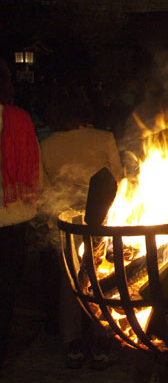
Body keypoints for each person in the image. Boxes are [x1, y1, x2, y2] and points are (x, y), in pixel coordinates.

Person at [38, 82, 124, 369]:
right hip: (100, 222)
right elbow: (118, 180)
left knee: (71, 284)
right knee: (101, 282)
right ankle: (101, 341)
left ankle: (73, 344)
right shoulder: (104, 138)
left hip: (64, 226)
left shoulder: (46, 146)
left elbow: (42, 190)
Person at [0, 59, 41, 369]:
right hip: (14, 216)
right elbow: (32, 163)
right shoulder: (20, 118)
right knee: (6, 290)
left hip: (13, 217)